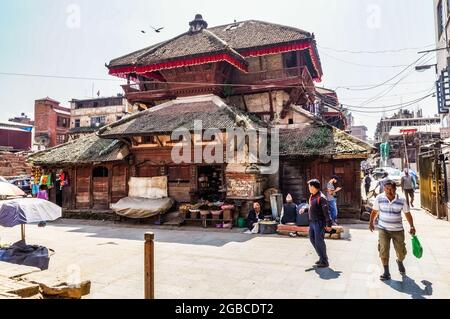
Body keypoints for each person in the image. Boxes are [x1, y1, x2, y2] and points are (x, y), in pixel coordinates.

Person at [369, 179, 416, 281]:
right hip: (383, 229)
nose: (388, 191)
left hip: (398, 230)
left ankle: (399, 261)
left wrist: (412, 226)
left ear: (395, 189)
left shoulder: (402, 199)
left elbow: (407, 214)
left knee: (401, 252)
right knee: (383, 250)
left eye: (391, 189)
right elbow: (374, 211)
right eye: (386, 189)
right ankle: (386, 272)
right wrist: (371, 222)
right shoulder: (379, 198)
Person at [306, 179, 333, 268]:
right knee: (312, 239)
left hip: (319, 223)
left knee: (319, 242)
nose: (309, 188)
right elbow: (311, 207)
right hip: (312, 222)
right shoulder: (312, 196)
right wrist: (305, 209)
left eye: (310, 186)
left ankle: (325, 261)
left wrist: (328, 224)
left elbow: (327, 212)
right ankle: (321, 257)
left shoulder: (321, 197)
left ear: (314, 187)